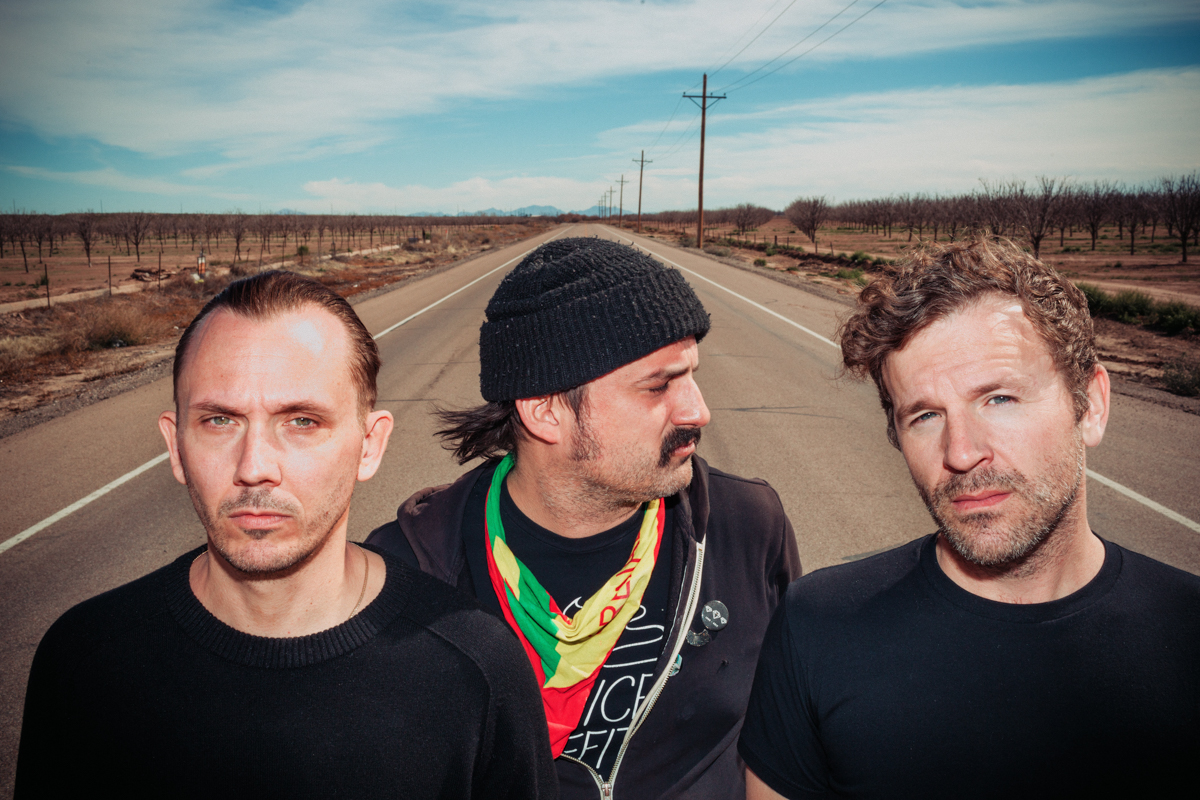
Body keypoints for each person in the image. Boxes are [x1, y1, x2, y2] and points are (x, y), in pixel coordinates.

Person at [16, 271, 557, 799]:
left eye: (301, 421)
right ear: (175, 446)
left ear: (369, 445)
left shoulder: (478, 670)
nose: (254, 467)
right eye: (220, 421)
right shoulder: (85, 661)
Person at [739, 237, 1200, 799]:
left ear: (1091, 405)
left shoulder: (1187, 634)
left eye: (998, 399)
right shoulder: (815, 627)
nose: (960, 452)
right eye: (925, 415)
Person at [368, 237, 802, 799]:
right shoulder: (407, 572)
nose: (699, 411)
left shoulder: (747, 525)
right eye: (658, 385)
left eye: (691, 375)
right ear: (545, 411)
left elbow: (786, 740)